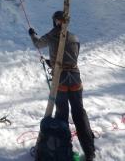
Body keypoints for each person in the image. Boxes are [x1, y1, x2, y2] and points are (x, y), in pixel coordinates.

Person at [28, 11, 95, 161]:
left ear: (56, 21)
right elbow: (68, 58)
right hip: (76, 78)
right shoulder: (75, 38)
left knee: (62, 115)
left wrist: (32, 34)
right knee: (79, 113)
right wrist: (50, 62)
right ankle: (90, 152)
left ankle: (63, 151)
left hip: (61, 80)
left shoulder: (53, 34)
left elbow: (38, 43)